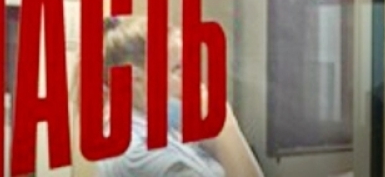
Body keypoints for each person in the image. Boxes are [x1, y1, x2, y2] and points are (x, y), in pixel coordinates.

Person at [94, 16, 263, 177]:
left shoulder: (158, 132)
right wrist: (225, 127)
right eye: (178, 69)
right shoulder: (141, 155)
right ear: (135, 80)